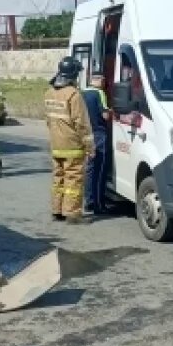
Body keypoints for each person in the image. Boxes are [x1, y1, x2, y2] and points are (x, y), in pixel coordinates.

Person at [43, 57, 94, 224]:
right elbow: (82, 124)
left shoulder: (49, 92)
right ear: (73, 74)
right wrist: (90, 146)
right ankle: (72, 213)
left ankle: (57, 210)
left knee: (58, 178)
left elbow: (48, 120)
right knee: (73, 179)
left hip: (56, 144)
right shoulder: (74, 95)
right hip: (72, 145)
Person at [81, 75, 111, 214]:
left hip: (84, 134)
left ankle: (88, 201)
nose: (105, 84)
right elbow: (105, 116)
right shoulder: (99, 93)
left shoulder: (81, 92)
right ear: (100, 81)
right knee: (100, 170)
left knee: (90, 169)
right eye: (104, 81)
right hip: (98, 134)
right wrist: (111, 112)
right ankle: (98, 205)